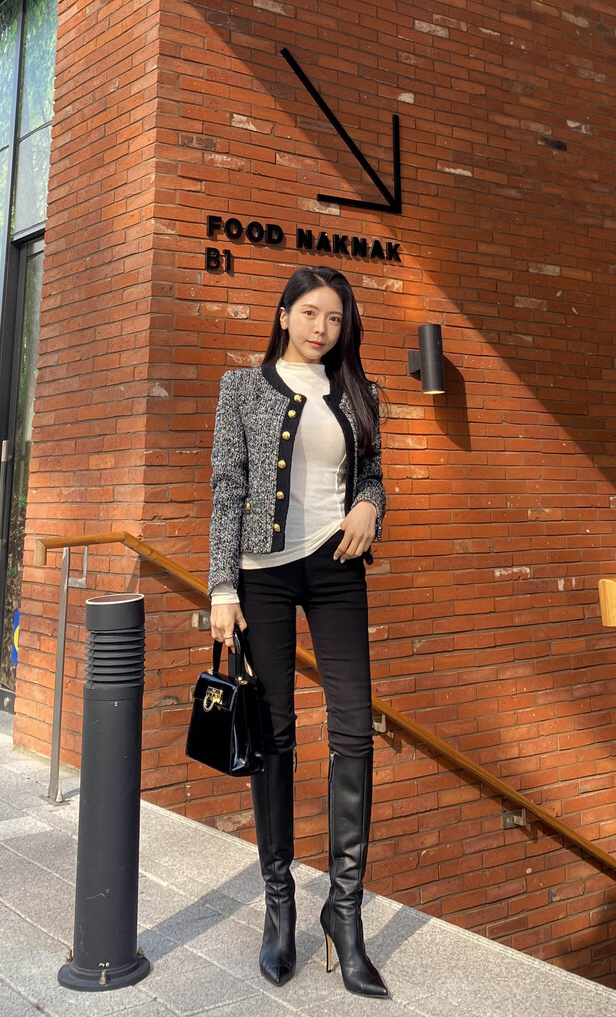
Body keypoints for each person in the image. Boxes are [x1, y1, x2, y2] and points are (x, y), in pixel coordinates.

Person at [208, 265, 389, 999]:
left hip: (337, 568)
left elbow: (372, 475)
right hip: (264, 576)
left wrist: (370, 506)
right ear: (284, 315)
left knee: (353, 729)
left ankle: (343, 914)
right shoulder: (241, 387)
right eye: (311, 313)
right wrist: (222, 587)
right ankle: (278, 902)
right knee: (275, 733)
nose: (323, 328)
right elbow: (228, 488)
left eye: (335, 319)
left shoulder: (359, 392)